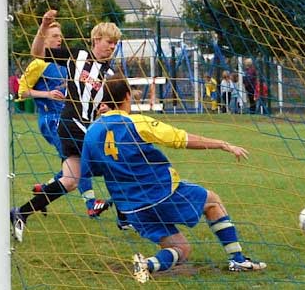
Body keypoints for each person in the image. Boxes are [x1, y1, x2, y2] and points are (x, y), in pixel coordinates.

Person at [79, 74, 267, 283]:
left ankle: (147, 264)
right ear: (127, 96)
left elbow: (85, 172)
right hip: (161, 193)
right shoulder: (137, 122)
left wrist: (90, 201)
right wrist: (222, 144)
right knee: (212, 201)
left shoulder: (92, 132)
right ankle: (238, 260)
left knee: (181, 249)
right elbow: (181, 139)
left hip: (132, 209)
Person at [10, 9, 122, 243]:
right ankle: (126, 215)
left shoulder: (111, 73)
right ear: (96, 40)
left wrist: (107, 110)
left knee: (70, 181)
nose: (112, 47)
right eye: (108, 42)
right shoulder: (77, 55)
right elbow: (37, 53)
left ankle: (21, 213)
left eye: (115, 44)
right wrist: (43, 26)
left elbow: (115, 105)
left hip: (88, 127)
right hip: (72, 124)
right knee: (115, 163)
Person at [17, 21, 66, 192]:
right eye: (54, 36)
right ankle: (91, 204)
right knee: (74, 160)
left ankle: (44, 190)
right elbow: (22, 92)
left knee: (74, 164)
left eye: (60, 36)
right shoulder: (38, 63)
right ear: (44, 40)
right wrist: (47, 94)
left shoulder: (63, 62)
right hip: (51, 119)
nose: (59, 39)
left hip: (67, 118)